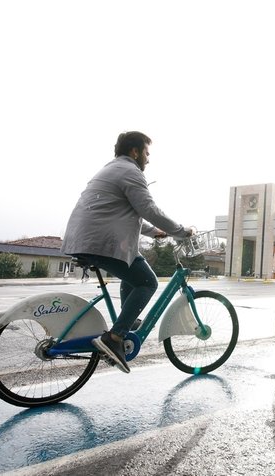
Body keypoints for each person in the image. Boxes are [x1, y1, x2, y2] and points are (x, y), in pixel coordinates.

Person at [61, 131, 193, 373]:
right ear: (135, 151)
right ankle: (115, 338)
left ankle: (125, 323)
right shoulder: (131, 171)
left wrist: (156, 233)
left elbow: (127, 214)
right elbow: (148, 208)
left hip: (87, 239)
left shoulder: (112, 169)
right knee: (147, 283)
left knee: (134, 269)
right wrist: (181, 231)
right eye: (146, 153)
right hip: (100, 242)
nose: (148, 159)